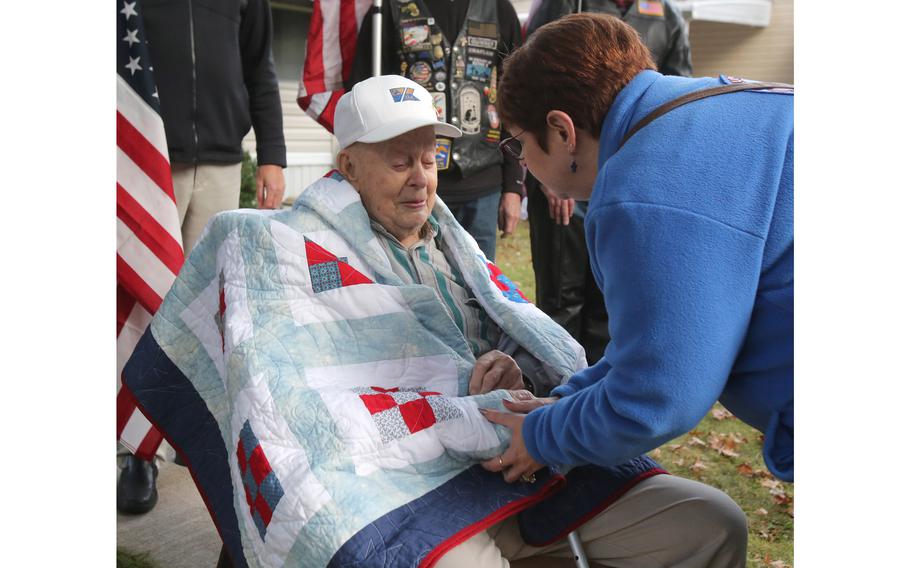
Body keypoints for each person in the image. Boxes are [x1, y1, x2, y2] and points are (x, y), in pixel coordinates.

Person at [132, 75, 747, 568]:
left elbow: (531, 333)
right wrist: (456, 406)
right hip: (399, 486)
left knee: (711, 523)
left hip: (521, 461)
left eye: (430, 158)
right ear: (346, 166)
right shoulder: (289, 251)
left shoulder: (457, 247)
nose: (423, 178)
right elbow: (296, 397)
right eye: (401, 161)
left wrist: (515, 361)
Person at [483, 13, 794, 485]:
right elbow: (653, 344)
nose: (522, 163)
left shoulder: (642, 190)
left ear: (562, 131)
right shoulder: (706, 107)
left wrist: (543, 438)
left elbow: (657, 394)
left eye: (519, 145)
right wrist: (562, 406)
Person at [117, 0, 288, 515]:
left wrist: (274, 155)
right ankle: (139, 450)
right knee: (144, 301)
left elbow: (260, 68)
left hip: (220, 163)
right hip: (147, 161)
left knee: (206, 307)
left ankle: (190, 431)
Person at [524, 0, 692, 366]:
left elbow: (678, 95)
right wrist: (550, 179)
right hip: (566, 174)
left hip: (629, 182)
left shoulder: (666, 15)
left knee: (611, 299)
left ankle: (599, 386)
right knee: (562, 300)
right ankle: (558, 388)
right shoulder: (567, 5)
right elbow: (531, 87)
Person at [345, 0, 524, 262]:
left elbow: (514, 99)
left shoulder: (498, 8)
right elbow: (362, 95)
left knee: (479, 294)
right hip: (409, 186)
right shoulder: (389, 8)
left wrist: (513, 186)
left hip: (483, 183)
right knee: (413, 287)